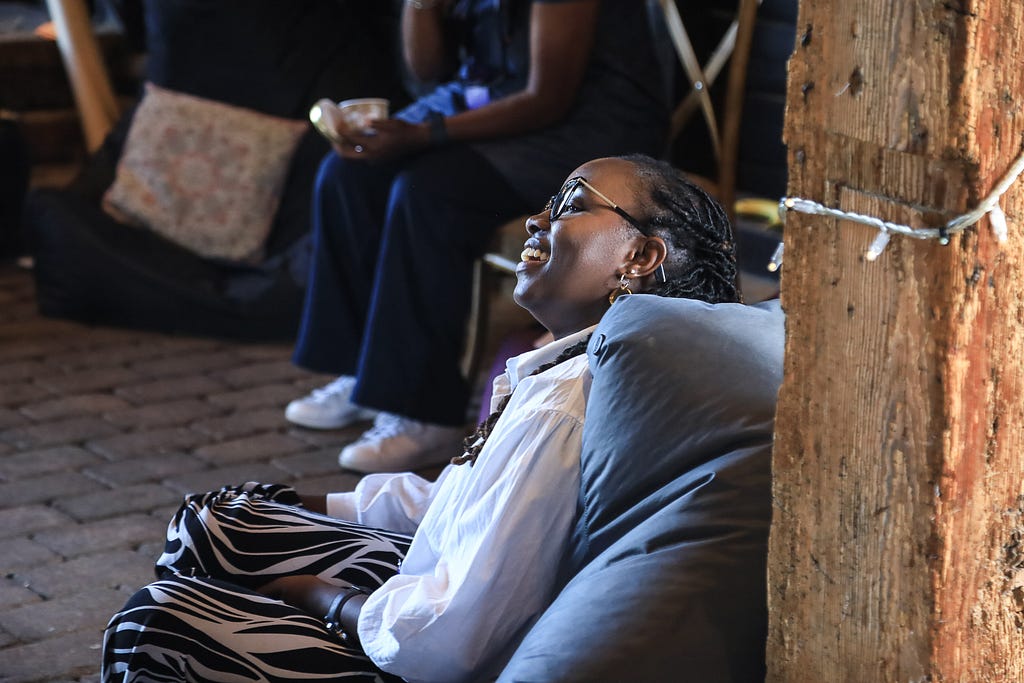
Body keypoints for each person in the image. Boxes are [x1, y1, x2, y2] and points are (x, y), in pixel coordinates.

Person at [101, 154, 741, 683]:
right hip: (445, 598)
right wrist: (319, 503)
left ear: (640, 257)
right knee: (220, 520)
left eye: (573, 205)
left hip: (438, 658)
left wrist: (319, 599)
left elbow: (449, 639)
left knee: (152, 626)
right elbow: (466, 501)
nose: (536, 219)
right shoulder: (571, 369)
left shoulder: (565, 404)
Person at [284, 0, 668, 473]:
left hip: (585, 130)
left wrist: (426, 135)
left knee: (430, 192)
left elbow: (547, 98)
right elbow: (427, 75)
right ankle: (367, 370)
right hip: (490, 110)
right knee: (350, 171)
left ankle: (423, 410)